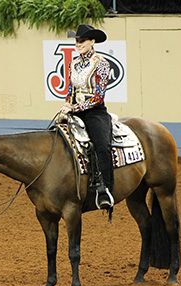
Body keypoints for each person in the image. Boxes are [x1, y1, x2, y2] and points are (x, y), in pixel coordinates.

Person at [59, 24, 114, 210]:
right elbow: (70, 90)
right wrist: (67, 105)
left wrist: (76, 107)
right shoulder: (72, 63)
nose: (78, 43)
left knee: (102, 146)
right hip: (75, 109)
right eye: (77, 40)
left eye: (82, 40)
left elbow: (99, 97)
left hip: (95, 112)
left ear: (92, 41)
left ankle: (105, 188)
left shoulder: (102, 64)